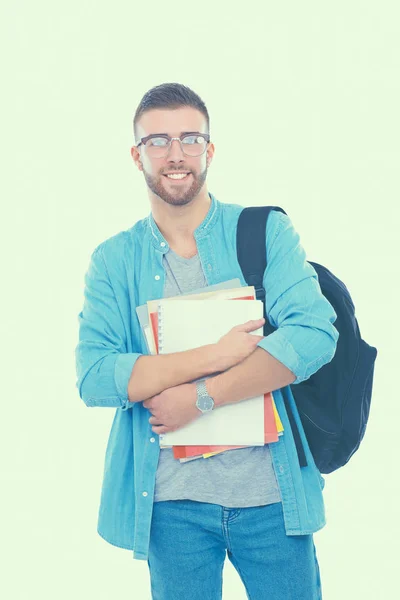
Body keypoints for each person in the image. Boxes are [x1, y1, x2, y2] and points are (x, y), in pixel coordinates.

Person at [75, 82, 339, 600]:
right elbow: (94, 375)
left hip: (271, 499)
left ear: (209, 149)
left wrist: (201, 397)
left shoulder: (265, 232)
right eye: (158, 141)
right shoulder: (114, 260)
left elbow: (313, 335)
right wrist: (214, 356)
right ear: (137, 155)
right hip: (172, 509)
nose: (176, 154)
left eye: (190, 139)